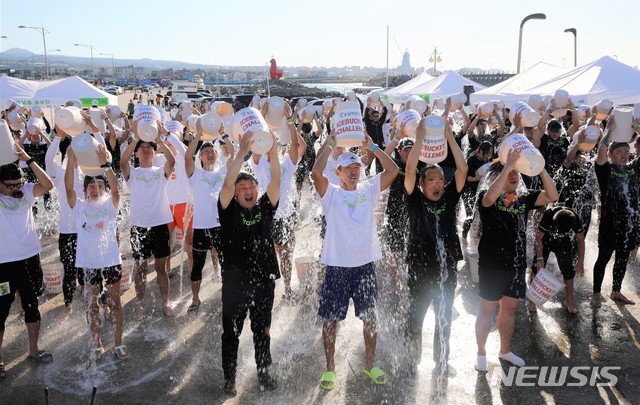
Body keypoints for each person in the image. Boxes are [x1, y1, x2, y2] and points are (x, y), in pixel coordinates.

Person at [311, 130, 399, 391]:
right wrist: (330, 143)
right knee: (330, 320)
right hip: (337, 267)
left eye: (357, 167)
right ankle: (330, 368)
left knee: (370, 318)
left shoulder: (368, 190)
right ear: (337, 173)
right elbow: (316, 173)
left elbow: (393, 170)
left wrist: (373, 149)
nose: (353, 171)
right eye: (347, 168)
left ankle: (369, 364)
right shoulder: (332, 194)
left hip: (364, 267)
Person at [474, 148, 557, 372]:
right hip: (492, 266)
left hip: (516, 265)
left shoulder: (523, 198)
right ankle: (481, 352)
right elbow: (490, 198)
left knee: (509, 309)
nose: (513, 176)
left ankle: (505, 350)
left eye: (515, 173)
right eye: (508, 173)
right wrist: (507, 167)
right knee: (487, 310)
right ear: (496, 178)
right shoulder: (487, 198)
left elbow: (552, 195)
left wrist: (541, 169)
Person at [403, 112, 468, 374]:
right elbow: (409, 169)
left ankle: (442, 360)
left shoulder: (449, 199)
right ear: (422, 184)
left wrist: (450, 137)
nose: (438, 184)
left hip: (447, 268)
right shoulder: (415, 200)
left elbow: (462, 169)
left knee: (444, 319)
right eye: (432, 180)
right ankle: (411, 360)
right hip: (419, 267)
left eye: (440, 179)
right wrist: (419, 139)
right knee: (414, 318)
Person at [217, 131, 281, 396]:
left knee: (262, 332)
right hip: (235, 284)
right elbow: (226, 185)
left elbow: (276, 179)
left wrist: (274, 152)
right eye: (242, 188)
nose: (247, 190)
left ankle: (264, 375)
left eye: (251, 187)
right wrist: (241, 153)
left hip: (264, 282)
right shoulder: (228, 210)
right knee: (231, 334)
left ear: (257, 190)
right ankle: (230, 379)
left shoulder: (266, 206)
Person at [65, 146, 128, 360]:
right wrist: (71, 158)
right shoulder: (80, 207)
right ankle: (97, 343)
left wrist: (106, 166)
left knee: (115, 303)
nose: (96, 189)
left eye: (100, 185)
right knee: (91, 305)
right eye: (91, 186)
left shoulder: (110, 206)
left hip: (110, 261)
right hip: (87, 264)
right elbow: (68, 190)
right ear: (86, 189)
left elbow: (117, 190)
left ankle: (118, 342)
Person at [0, 144, 55, 379]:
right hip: (4, 264)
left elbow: (48, 185)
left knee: (32, 305)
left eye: (18, 184)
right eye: (10, 186)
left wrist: (28, 159)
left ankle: (33, 350)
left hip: (30, 258)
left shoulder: (27, 192)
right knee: (0, 312)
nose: (16, 189)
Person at [120, 123, 177, 320]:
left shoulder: (160, 171)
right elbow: (122, 163)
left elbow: (172, 160)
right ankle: (140, 304)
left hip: (160, 223)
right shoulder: (133, 174)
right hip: (139, 226)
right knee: (141, 267)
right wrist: (135, 137)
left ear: (154, 152)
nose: (145, 150)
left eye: (149, 148)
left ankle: (166, 302)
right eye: (142, 148)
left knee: (161, 267)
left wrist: (160, 138)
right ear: (137, 154)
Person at [251, 102, 306, 299]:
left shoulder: (286, 165)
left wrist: (289, 120)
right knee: (267, 254)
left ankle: (288, 287)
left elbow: (298, 146)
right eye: (269, 139)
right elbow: (255, 145)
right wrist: (263, 118)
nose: (273, 140)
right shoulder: (258, 164)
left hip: (286, 215)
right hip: (267, 215)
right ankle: (266, 289)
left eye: (275, 139)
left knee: (286, 253)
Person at [185, 125, 234, 312]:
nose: (210, 154)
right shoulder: (195, 175)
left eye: (212, 151)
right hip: (201, 226)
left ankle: (227, 295)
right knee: (197, 266)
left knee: (227, 263)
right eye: (206, 152)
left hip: (221, 226)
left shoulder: (222, 172)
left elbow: (234, 153)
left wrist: (223, 133)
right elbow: (186, 157)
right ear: (201, 158)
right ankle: (196, 299)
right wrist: (198, 134)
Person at [591, 121, 640, 307]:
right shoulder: (606, 170)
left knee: (622, 258)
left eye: (627, 152)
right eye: (619, 152)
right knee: (603, 258)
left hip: (629, 224)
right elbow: (600, 154)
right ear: (611, 155)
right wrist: (610, 130)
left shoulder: (633, 169)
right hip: (610, 223)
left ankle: (616, 290)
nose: (624, 155)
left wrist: (636, 129)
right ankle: (596, 292)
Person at [530, 206, 585, 314]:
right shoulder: (548, 215)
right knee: (537, 267)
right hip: (545, 240)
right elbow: (538, 237)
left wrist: (581, 261)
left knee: (569, 271)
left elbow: (580, 239)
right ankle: (532, 300)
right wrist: (540, 258)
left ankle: (569, 301)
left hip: (563, 242)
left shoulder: (574, 218)